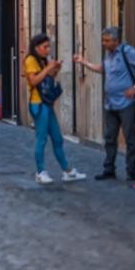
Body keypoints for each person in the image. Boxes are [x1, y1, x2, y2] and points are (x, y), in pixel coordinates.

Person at [74, 26, 135, 181]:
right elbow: (103, 69)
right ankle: (109, 170)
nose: (104, 43)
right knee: (109, 137)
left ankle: (131, 171)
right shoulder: (108, 54)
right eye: (103, 40)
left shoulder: (127, 51)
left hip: (126, 103)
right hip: (110, 103)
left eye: (107, 40)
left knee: (129, 138)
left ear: (116, 41)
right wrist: (84, 62)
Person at [23, 33, 86, 184]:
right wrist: (48, 69)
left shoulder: (44, 60)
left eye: (49, 46)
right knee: (41, 139)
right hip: (37, 104)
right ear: (36, 47)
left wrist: (55, 69)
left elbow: (48, 80)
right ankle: (40, 172)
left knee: (57, 138)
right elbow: (34, 81)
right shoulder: (31, 60)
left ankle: (67, 171)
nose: (48, 49)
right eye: (45, 47)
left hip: (46, 104)